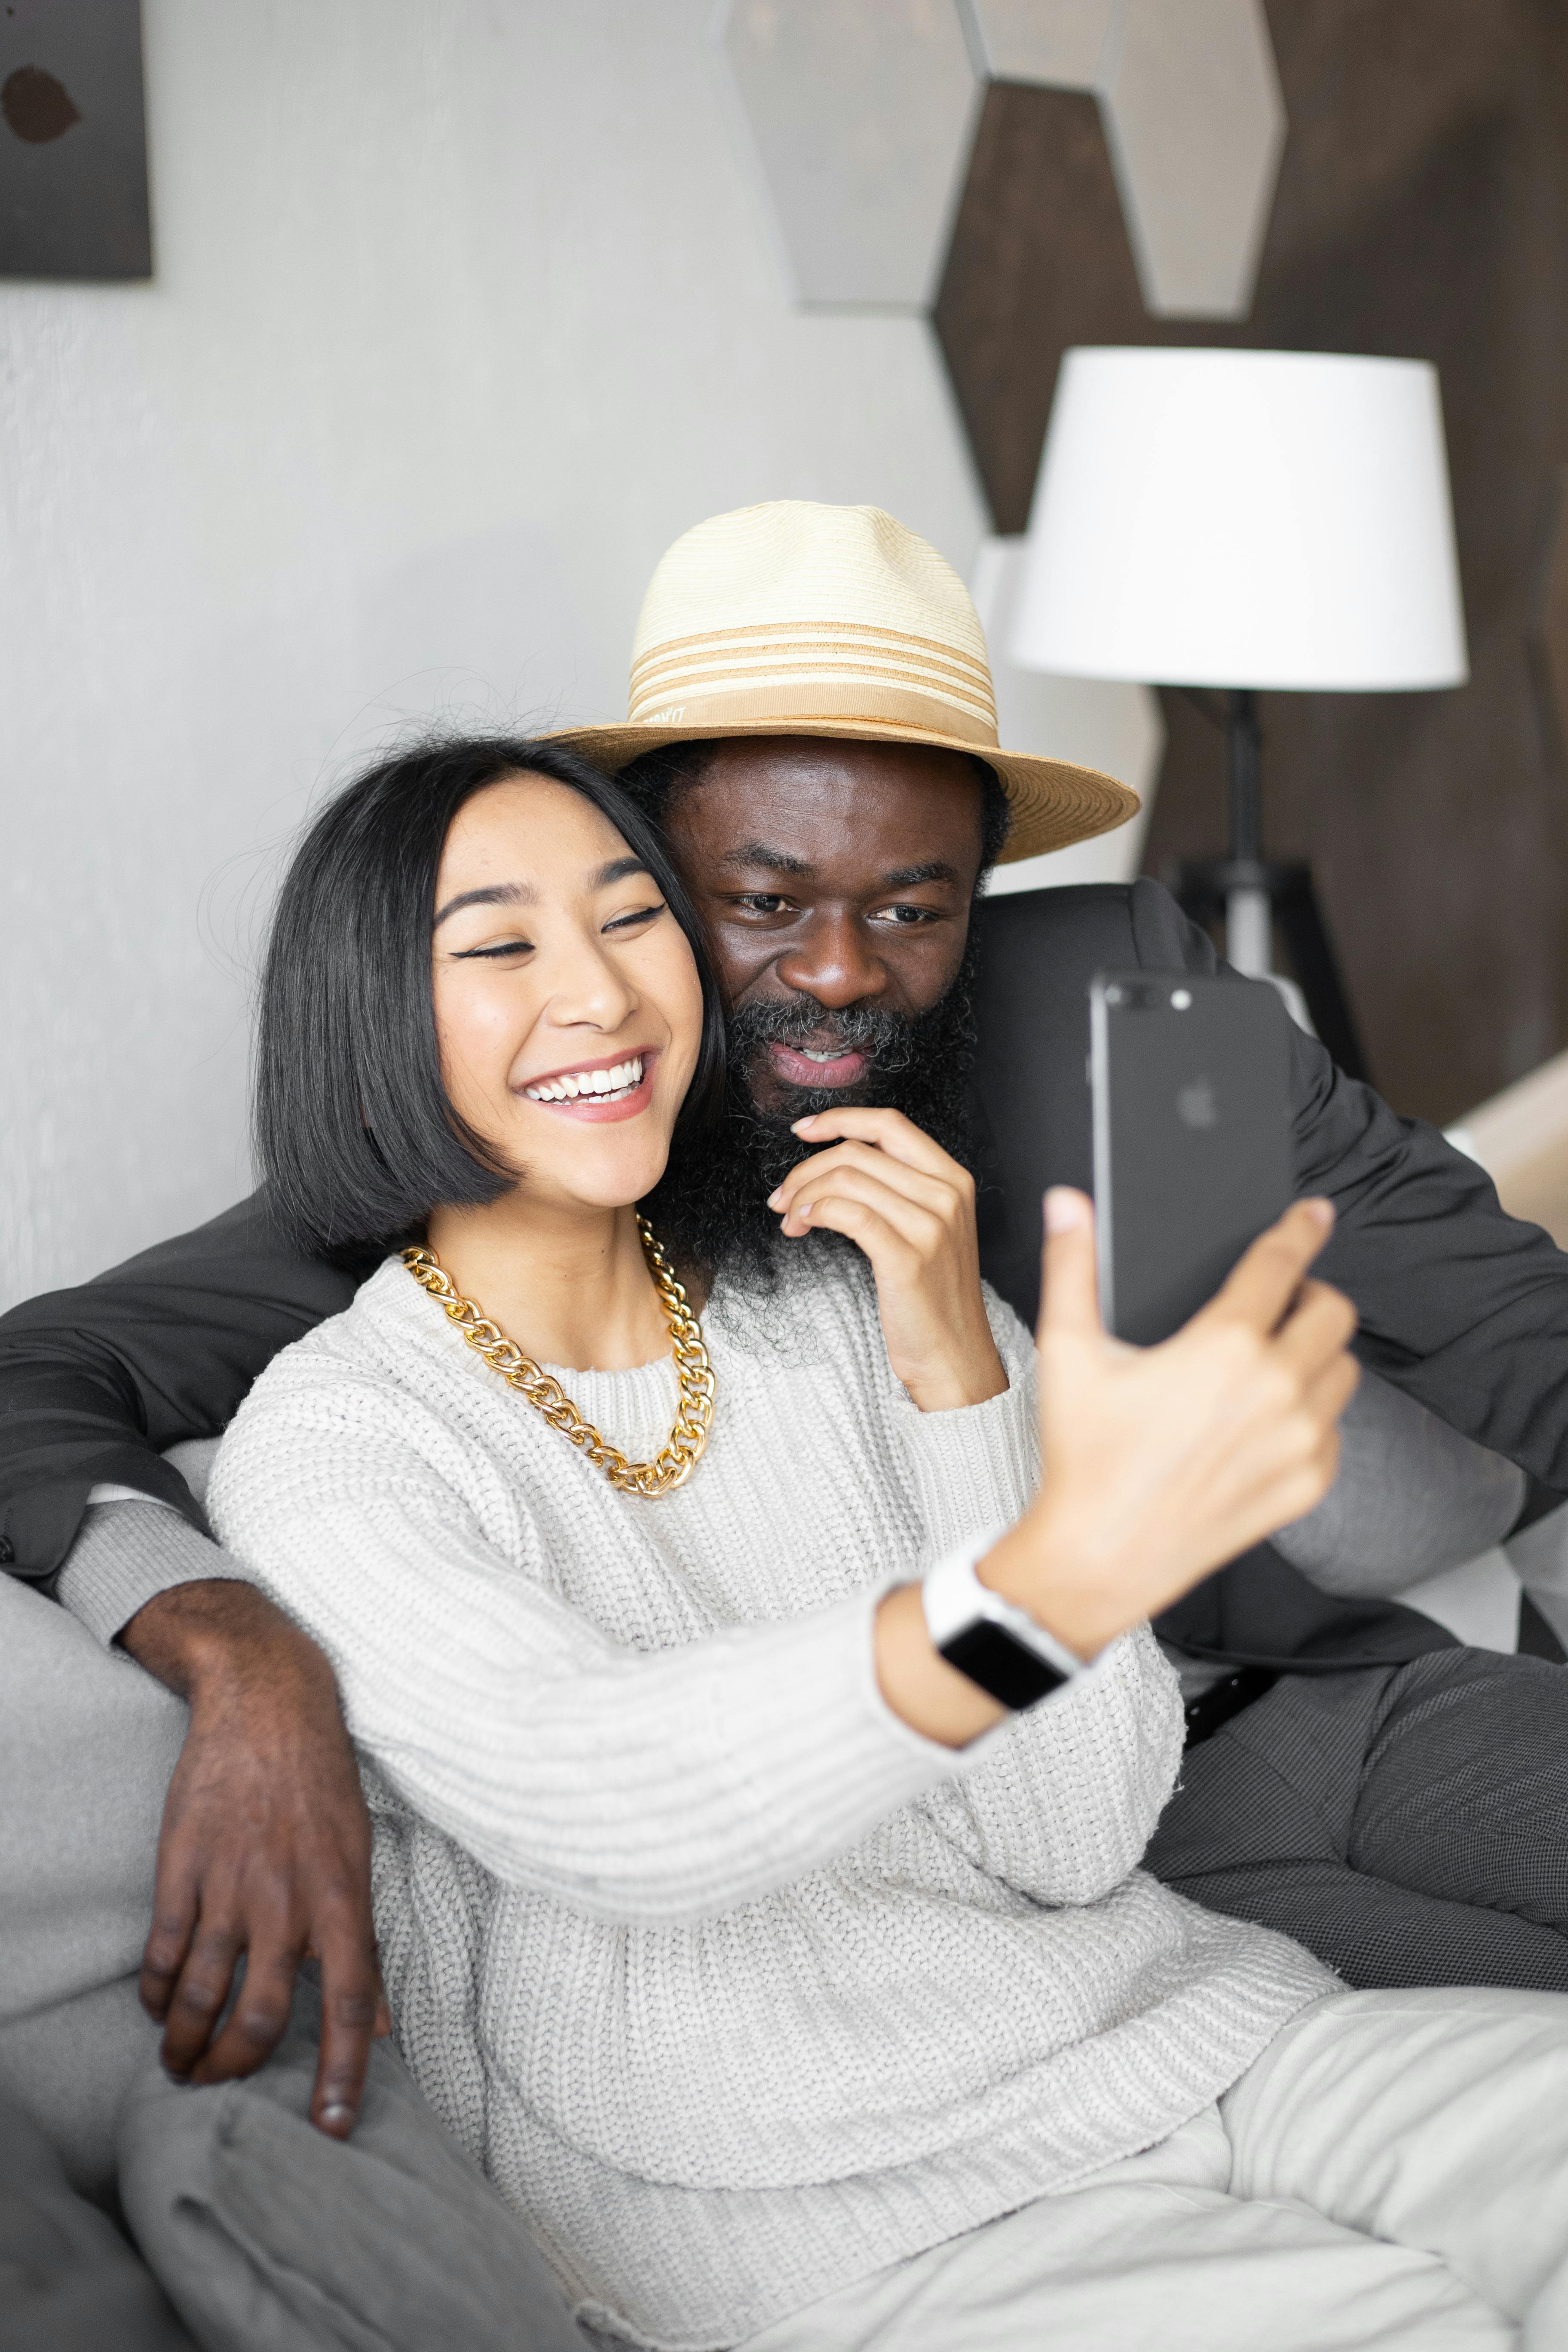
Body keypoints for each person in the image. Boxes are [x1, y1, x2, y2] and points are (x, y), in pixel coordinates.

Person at [3, 501, 1568, 2144]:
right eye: (754, 902)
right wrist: (241, 1655)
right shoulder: (506, 1158)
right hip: (1062, 1855)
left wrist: (1288, 1433)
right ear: (650, 883)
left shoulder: (1109, 990)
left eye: (913, 907)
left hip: (1322, 1687)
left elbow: (1519, 1342)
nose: (838, 973)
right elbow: (42, 1377)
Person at [202, 725, 1568, 2352]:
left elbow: (1075, 1842)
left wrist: (955, 1364)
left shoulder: (853, 1293)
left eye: (634, 917)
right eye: (502, 945)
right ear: (368, 1013)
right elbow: (615, 1795)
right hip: (833, 2221)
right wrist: (1050, 1578)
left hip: (1198, 2039)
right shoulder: (342, 1441)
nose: (604, 993)